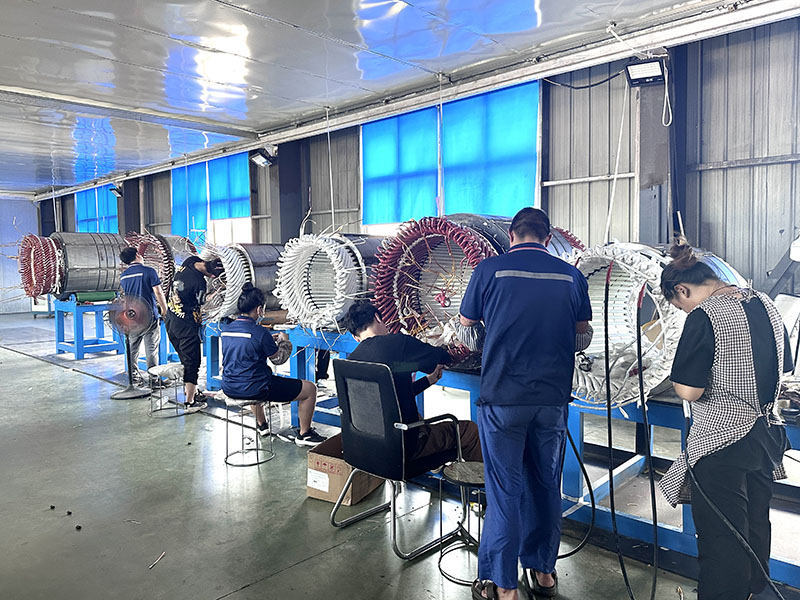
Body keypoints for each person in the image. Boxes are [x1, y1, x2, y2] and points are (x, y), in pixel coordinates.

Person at [458, 207, 592, 600]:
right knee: (545, 484)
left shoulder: (489, 270)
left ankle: (504, 586)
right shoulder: (571, 276)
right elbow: (582, 336)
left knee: (505, 491)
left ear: (512, 236)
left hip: (502, 398)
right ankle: (544, 572)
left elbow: (466, 329)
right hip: (551, 400)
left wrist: (495, 341)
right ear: (548, 238)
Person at [658, 242, 792, 600]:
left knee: (723, 537)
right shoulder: (766, 303)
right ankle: (753, 590)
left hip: (722, 443)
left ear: (682, 290)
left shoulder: (706, 315)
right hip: (764, 436)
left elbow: (689, 390)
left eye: (680, 306)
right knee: (755, 525)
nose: (685, 311)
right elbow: (784, 365)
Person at [343, 300, 482, 463]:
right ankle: (481, 479)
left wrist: (427, 381)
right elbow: (441, 356)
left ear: (355, 337)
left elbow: (392, 391)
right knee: (469, 432)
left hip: (365, 449)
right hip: (404, 447)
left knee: (417, 418)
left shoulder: (350, 362)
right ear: (378, 317)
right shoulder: (398, 343)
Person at [222, 283, 326, 446]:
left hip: (229, 386)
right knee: (310, 389)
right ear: (259, 309)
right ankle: (305, 434)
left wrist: (268, 341)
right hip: (255, 388)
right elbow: (279, 359)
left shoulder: (227, 329)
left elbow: (246, 346)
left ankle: (262, 424)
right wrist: (285, 342)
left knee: (250, 377)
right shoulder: (260, 332)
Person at [164, 255, 223, 412]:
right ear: (212, 276)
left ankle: (192, 391)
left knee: (186, 360)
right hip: (186, 326)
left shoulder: (190, 261)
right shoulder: (199, 282)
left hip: (171, 321)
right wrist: (216, 291)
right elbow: (203, 301)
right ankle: (190, 403)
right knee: (192, 363)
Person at [119, 247, 167, 387]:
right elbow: (158, 292)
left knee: (132, 348)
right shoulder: (148, 271)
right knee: (151, 348)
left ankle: (133, 377)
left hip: (132, 316)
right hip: (148, 316)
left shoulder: (124, 276)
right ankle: (154, 380)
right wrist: (164, 309)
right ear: (137, 255)